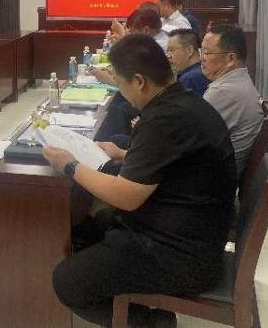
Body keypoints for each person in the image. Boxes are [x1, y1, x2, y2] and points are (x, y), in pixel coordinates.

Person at [45, 34, 237, 327]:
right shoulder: (180, 102)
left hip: (181, 253)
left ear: (139, 81)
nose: (122, 93)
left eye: (120, 84)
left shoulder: (165, 119)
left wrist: (71, 166)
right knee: (88, 229)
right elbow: (171, 162)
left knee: (66, 281)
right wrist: (123, 154)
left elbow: (126, 196)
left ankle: (150, 322)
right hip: (186, 227)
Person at [96, 8, 167, 144]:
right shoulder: (154, 41)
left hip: (156, 101)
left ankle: (102, 145)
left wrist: (110, 79)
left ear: (146, 30)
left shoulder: (156, 47)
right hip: (154, 97)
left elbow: (138, 82)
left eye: (131, 32)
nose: (129, 35)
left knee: (119, 108)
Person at [201, 24, 264, 177]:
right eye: (201, 51)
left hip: (213, 181)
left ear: (230, 58)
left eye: (206, 53)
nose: (201, 58)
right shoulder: (239, 81)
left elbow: (188, 139)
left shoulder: (223, 92)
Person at [166, 28, 210, 96]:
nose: (168, 56)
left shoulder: (190, 78)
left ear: (189, 50)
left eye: (172, 50)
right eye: (167, 51)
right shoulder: (204, 71)